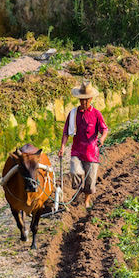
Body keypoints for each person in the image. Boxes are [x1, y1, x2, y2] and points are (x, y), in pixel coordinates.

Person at [58, 81, 108, 209]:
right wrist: (63, 147)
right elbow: (65, 133)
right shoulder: (73, 114)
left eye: (86, 100)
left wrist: (102, 139)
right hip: (77, 151)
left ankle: (86, 199)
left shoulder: (96, 114)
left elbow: (104, 129)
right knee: (75, 172)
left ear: (91, 99)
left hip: (92, 153)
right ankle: (78, 190)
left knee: (90, 182)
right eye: (81, 100)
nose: (83, 103)